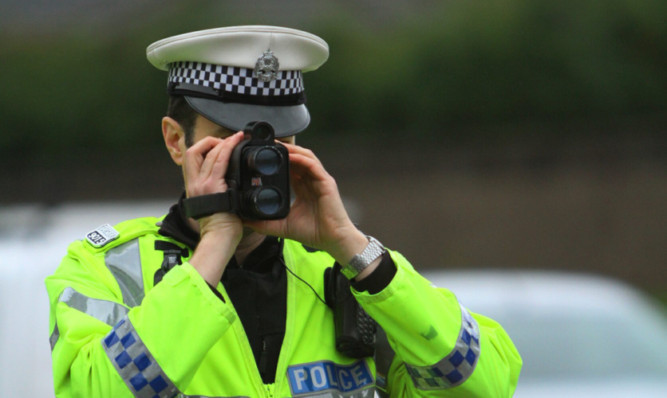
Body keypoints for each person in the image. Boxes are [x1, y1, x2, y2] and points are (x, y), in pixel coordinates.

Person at [45, 26, 522, 397]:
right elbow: (98, 389)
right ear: (176, 140)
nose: (259, 158)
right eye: (231, 137)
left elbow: (486, 384)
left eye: (279, 140)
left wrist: (352, 246)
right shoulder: (103, 269)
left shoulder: (350, 274)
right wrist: (212, 248)